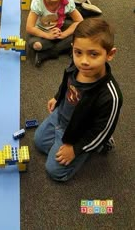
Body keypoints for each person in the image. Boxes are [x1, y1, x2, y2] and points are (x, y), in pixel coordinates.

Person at [34, 18, 123, 182]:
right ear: (73, 49)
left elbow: (102, 129)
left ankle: (99, 146)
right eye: (78, 52)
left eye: (94, 54)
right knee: (39, 142)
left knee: (54, 171)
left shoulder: (110, 95)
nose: (84, 61)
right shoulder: (77, 66)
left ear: (110, 54)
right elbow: (66, 82)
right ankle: (65, 145)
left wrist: (75, 149)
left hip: (80, 131)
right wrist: (57, 97)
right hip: (62, 116)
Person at [26, 0, 83, 67]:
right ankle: (65, 48)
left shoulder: (67, 1)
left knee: (82, 33)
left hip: (60, 28)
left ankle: (49, 52)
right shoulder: (38, 3)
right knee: (36, 45)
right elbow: (30, 27)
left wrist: (64, 34)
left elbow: (79, 21)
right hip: (42, 31)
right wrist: (48, 35)